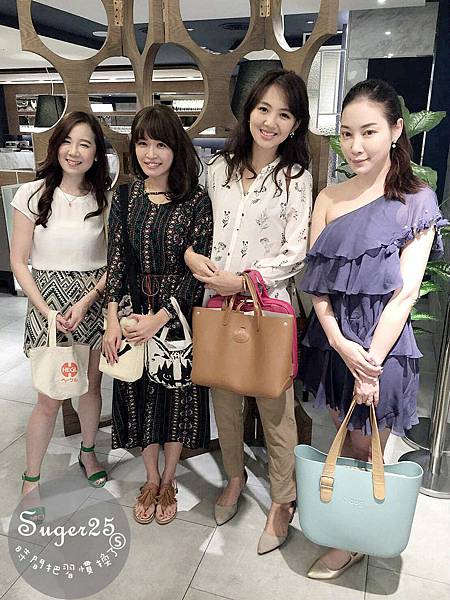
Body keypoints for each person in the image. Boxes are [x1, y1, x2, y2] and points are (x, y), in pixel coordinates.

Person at [299, 78, 448, 579]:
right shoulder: (328, 197)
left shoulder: (416, 200)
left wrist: (369, 365)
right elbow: (317, 285)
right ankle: (349, 526)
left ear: (395, 130)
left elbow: (405, 293)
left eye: (369, 131)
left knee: (369, 444)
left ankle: (357, 537)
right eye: (347, 133)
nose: (356, 145)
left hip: (383, 346)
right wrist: (338, 341)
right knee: (344, 437)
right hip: (335, 340)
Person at [185, 69, 313, 554]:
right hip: (216, 304)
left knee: (275, 407)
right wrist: (191, 255)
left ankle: (282, 499)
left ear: (295, 125)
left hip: (267, 307)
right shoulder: (217, 168)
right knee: (224, 400)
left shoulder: (295, 179)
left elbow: (297, 251)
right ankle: (234, 477)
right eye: (264, 109)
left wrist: (243, 281)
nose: (271, 122)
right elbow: (195, 224)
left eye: (284, 114)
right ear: (249, 111)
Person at [102, 105, 213, 526]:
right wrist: (112, 318)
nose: (151, 153)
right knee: (138, 395)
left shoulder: (195, 199)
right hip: (133, 313)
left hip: (177, 317)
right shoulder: (125, 197)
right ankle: (150, 479)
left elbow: (197, 271)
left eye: (161, 144)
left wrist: (161, 317)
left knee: (175, 399)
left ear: (176, 148)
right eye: (143, 143)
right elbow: (116, 260)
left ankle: (169, 480)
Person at [10, 111, 112, 516]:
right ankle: (31, 477)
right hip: (45, 303)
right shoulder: (31, 194)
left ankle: (88, 452)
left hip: (90, 301)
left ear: (95, 153)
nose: (75, 151)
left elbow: (113, 262)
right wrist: (48, 310)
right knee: (48, 397)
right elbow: (19, 261)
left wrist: (86, 301)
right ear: (56, 147)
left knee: (90, 388)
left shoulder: (104, 198)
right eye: (68, 141)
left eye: (85, 144)